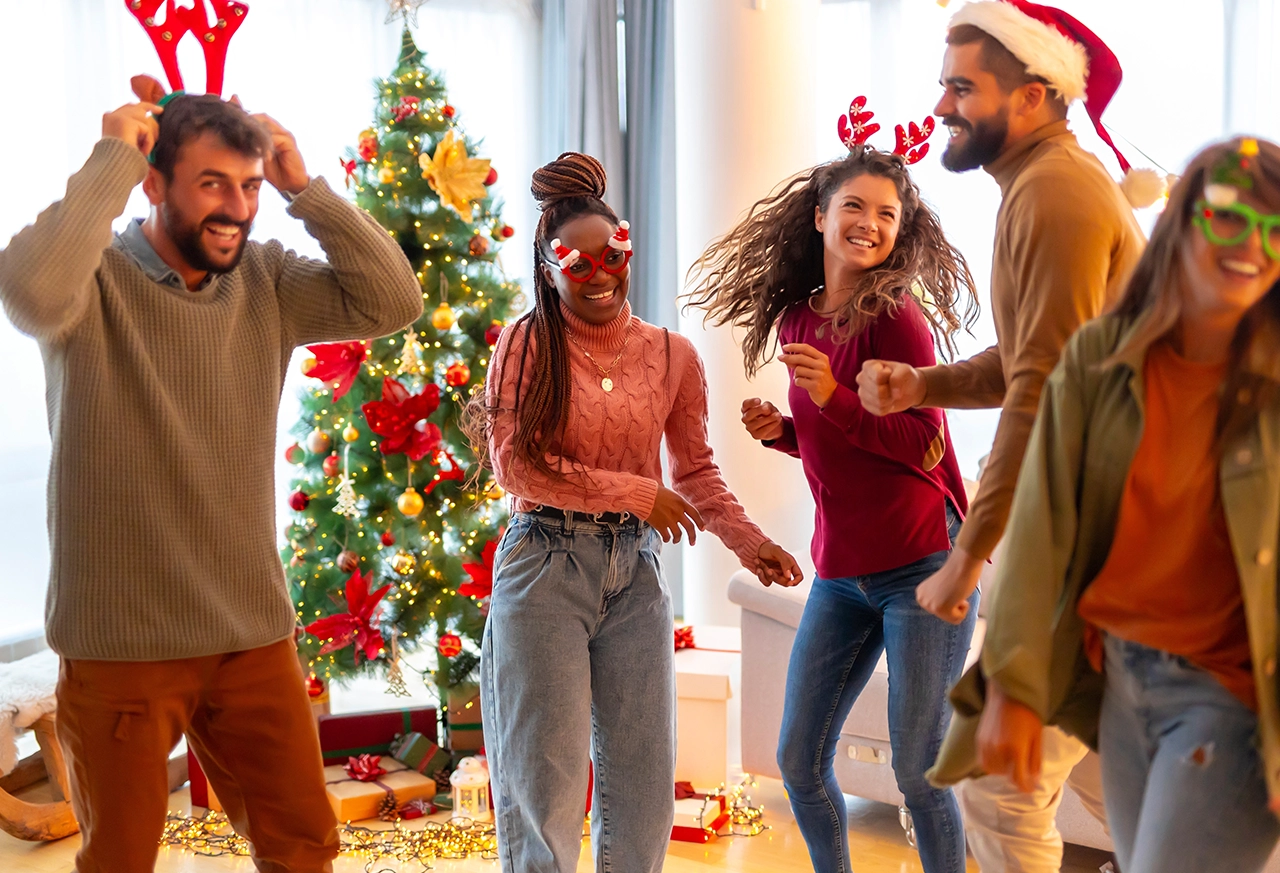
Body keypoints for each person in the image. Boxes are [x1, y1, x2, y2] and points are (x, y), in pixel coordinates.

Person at [0, 78, 422, 870]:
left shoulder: (265, 279)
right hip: (120, 641)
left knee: (304, 843)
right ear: (154, 185)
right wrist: (110, 161)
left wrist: (305, 188)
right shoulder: (88, 281)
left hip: (250, 633)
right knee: (120, 857)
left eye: (250, 185)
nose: (236, 206)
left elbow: (392, 298)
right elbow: (25, 290)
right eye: (211, 184)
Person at [855, 4, 1145, 869]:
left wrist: (966, 556)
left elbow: (1043, 392)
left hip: (1089, 534)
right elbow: (1033, 358)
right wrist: (927, 383)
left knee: (998, 777)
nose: (941, 106)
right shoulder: (1044, 186)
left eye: (961, 87)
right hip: (1099, 529)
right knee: (1116, 777)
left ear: (1033, 96)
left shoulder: (1054, 194)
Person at [946, 136, 1280, 873]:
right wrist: (1014, 683)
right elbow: (1042, 529)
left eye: (1275, 228)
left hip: (1230, 703)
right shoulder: (1100, 360)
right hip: (1120, 681)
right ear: (1182, 223)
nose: (1253, 245)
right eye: (1230, 217)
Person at [471, 152, 803, 873]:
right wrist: (633, 492)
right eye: (576, 263)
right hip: (543, 565)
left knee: (644, 779)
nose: (598, 274)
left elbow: (697, 473)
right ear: (548, 267)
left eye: (611, 255)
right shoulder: (526, 343)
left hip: (637, 576)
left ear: (628, 249)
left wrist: (748, 542)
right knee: (545, 782)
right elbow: (515, 466)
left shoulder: (674, 355)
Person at [686, 143, 979, 873]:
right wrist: (787, 431)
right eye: (854, 206)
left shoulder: (899, 321)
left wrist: (831, 399)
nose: (870, 223)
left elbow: (925, 449)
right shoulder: (796, 319)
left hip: (923, 565)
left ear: (901, 229)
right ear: (820, 216)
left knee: (919, 770)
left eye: (887, 213)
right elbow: (841, 443)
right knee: (798, 758)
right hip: (842, 570)